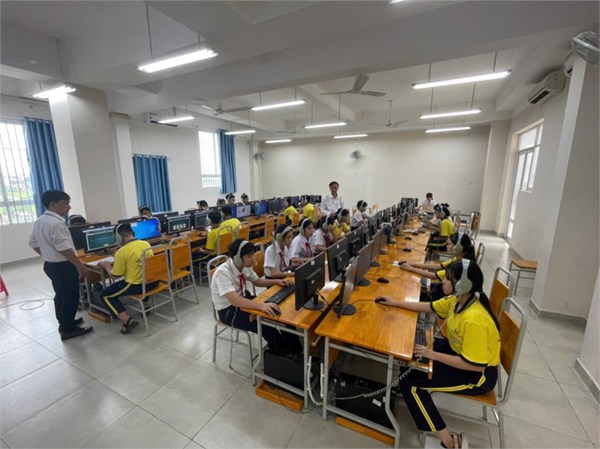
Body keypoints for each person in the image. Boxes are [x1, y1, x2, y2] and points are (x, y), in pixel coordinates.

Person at [376, 260, 500, 449]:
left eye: (448, 279)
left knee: (411, 383)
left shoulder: (474, 320)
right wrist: (395, 303)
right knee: (412, 352)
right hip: (458, 352)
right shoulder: (457, 301)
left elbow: (475, 365)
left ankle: (449, 441)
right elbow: (428, 307)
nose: (443, 281)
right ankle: (410, 394)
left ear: (462, 285)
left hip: (477, 376)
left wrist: (432, 354)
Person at [28, 190, 94, 341]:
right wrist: (79, 265)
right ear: (53, 204)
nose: (69, 207)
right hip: (63, 266)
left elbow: (32, 243)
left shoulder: (40, 220)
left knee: (61, 295)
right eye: (65, 203)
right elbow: (64, 248)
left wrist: (48, 254)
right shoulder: (56, 223)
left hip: (51, 265)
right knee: (70, 297)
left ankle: (64, 323)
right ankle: (69, 330)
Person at [210, 239, 292, 349]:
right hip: (229, 311)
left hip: (244, 298)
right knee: (267, 328)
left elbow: (257, 281)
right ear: (237, 258)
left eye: (253, 255)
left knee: (280, 313)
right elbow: (235, 300)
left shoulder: (244, 266)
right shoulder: (222, 273)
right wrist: (262, 306)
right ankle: (279, 354)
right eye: (249, 256)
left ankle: (294, 349)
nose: (253, 259)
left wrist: (276, 281)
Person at [97, 223, 156, 334]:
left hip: (137, 285)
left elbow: (115, 276)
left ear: (118, 238)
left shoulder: (122, 252)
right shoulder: (145, 243)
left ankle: (128, 321)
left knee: (105, 295)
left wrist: (107, 266)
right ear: (133, 233)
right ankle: (145, 305)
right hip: (152, 281)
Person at [399, 233, 475, 301]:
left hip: (443, 294)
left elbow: (433, 276)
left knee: (412, 287)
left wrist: (410, 268)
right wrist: (412, 264)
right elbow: (437, 266)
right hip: (443, 288)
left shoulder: (460, 267)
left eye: (449, 244)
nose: (446, 245)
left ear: (458, 247)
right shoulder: (458, 258)